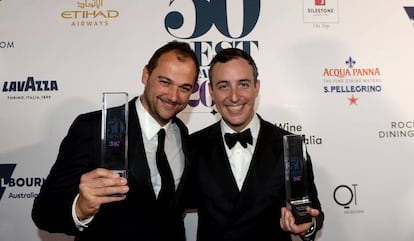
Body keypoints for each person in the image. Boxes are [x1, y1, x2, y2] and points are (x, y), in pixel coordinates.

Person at [32, 40, 200, 241]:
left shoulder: (181, 132)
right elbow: (44, 212)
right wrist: (80, 208)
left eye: (184, 87)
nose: (173, 96)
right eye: (165, 82)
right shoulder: (96, 127)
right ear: (145, 74)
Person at [185, 48, 324, 241]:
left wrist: (305, 225)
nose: (234, 96)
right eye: (224, 86)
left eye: (243, 84)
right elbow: (167, 207)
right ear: (211, 92)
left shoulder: (289, 146)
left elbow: (311, 211)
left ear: (256, 87)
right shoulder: (192, 146)